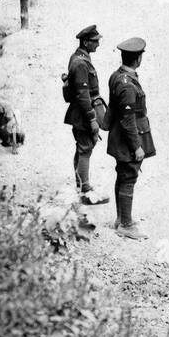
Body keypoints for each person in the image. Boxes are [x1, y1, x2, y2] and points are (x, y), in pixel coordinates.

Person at [107, 37, 155, 240]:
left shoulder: (117, 76)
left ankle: (121, 219)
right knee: (128, 177)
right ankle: (125, 224)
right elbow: (128, 120)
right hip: (127, 138)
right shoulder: (127, 85)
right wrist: (137, 147)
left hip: (118, 135)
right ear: (137, 59)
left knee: (123, 176)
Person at [63, 24, 109, 206]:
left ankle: (81, 185)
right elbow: (83, 96)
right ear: (85, 41)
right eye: (95, 41)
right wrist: (92, 119)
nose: (98, 44)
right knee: (85, 149)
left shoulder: (78, 57)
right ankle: (85, 192)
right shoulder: (81, 63)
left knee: (82, 148)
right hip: (83, 114)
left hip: (80, 112)